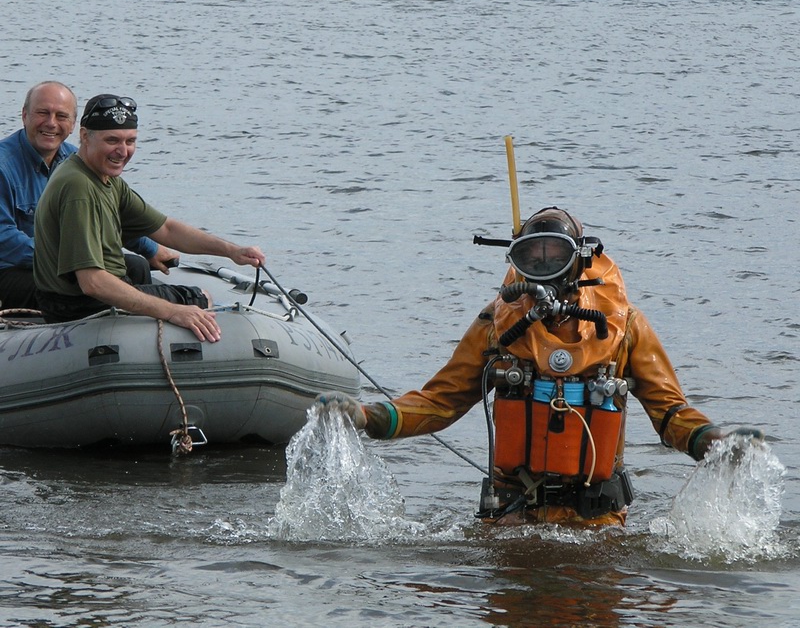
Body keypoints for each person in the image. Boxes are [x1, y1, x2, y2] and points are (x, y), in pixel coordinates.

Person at [320, 207, 764, 526]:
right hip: (512, 515)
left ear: (580, 258)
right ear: (517, 260)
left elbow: (671, 414)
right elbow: (441, 401)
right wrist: (366, 417)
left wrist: (716, 441)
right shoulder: (499, 324)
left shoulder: (623, 325)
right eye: (533, 257)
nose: (544, 267)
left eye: (556, 256)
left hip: (598, 522)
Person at [33, 93, 266, 342]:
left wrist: (231, 251)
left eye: (130, 141)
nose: (122, 151)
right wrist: (174, 311)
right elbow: (92, 283)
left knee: (141, 268)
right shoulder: (78, 188)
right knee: (199, 299)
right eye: (112, 140)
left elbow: (166, 229)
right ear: (84, 137)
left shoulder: (102, 177)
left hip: (80, 296)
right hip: (77, 304)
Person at [0, 81, 175, 310]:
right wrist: (71, 263)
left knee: (136, 266)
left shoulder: (78, 160)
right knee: (86, 284)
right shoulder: (4, 166)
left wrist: (150, 248)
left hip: (65, 263)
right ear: (24, 116)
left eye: (61, 116)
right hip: (11, 270)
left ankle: (138, 337)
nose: (51, 123)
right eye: (42, 113)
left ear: (73, 125)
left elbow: (111, 213)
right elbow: (4, 238)